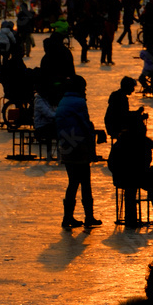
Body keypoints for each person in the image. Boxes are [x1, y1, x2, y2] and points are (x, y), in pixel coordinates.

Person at [108, 110, 153, 228]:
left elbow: (113, 164)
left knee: (138, 188)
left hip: (127, 177)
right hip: (131, 177)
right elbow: (141, 166)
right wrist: (150, 172)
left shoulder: (122, 142)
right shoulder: (140, 143)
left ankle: (131, 219)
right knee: (151, 189)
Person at [55, 75, 102, 229]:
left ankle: (67, 218)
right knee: (85, 182)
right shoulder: (79, 102)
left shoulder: (62, 101)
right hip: (79, 146)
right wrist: (92, 149)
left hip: (66, 146)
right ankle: (89, 217)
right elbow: (86, 126)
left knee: (73, 182)